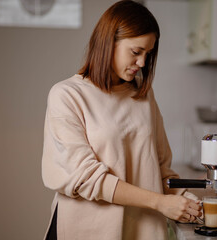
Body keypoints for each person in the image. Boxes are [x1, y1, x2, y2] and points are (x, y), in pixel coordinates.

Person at [41, 1, 202, 239]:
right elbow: (87, 179)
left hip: (141, 230)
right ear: (108, 42)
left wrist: (189, 203)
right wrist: (159, 202)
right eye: (136, 52)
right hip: (85, 230)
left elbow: (161, 170)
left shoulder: (143, 95)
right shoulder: (67, 95)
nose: (142, 63)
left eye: (148, 54)